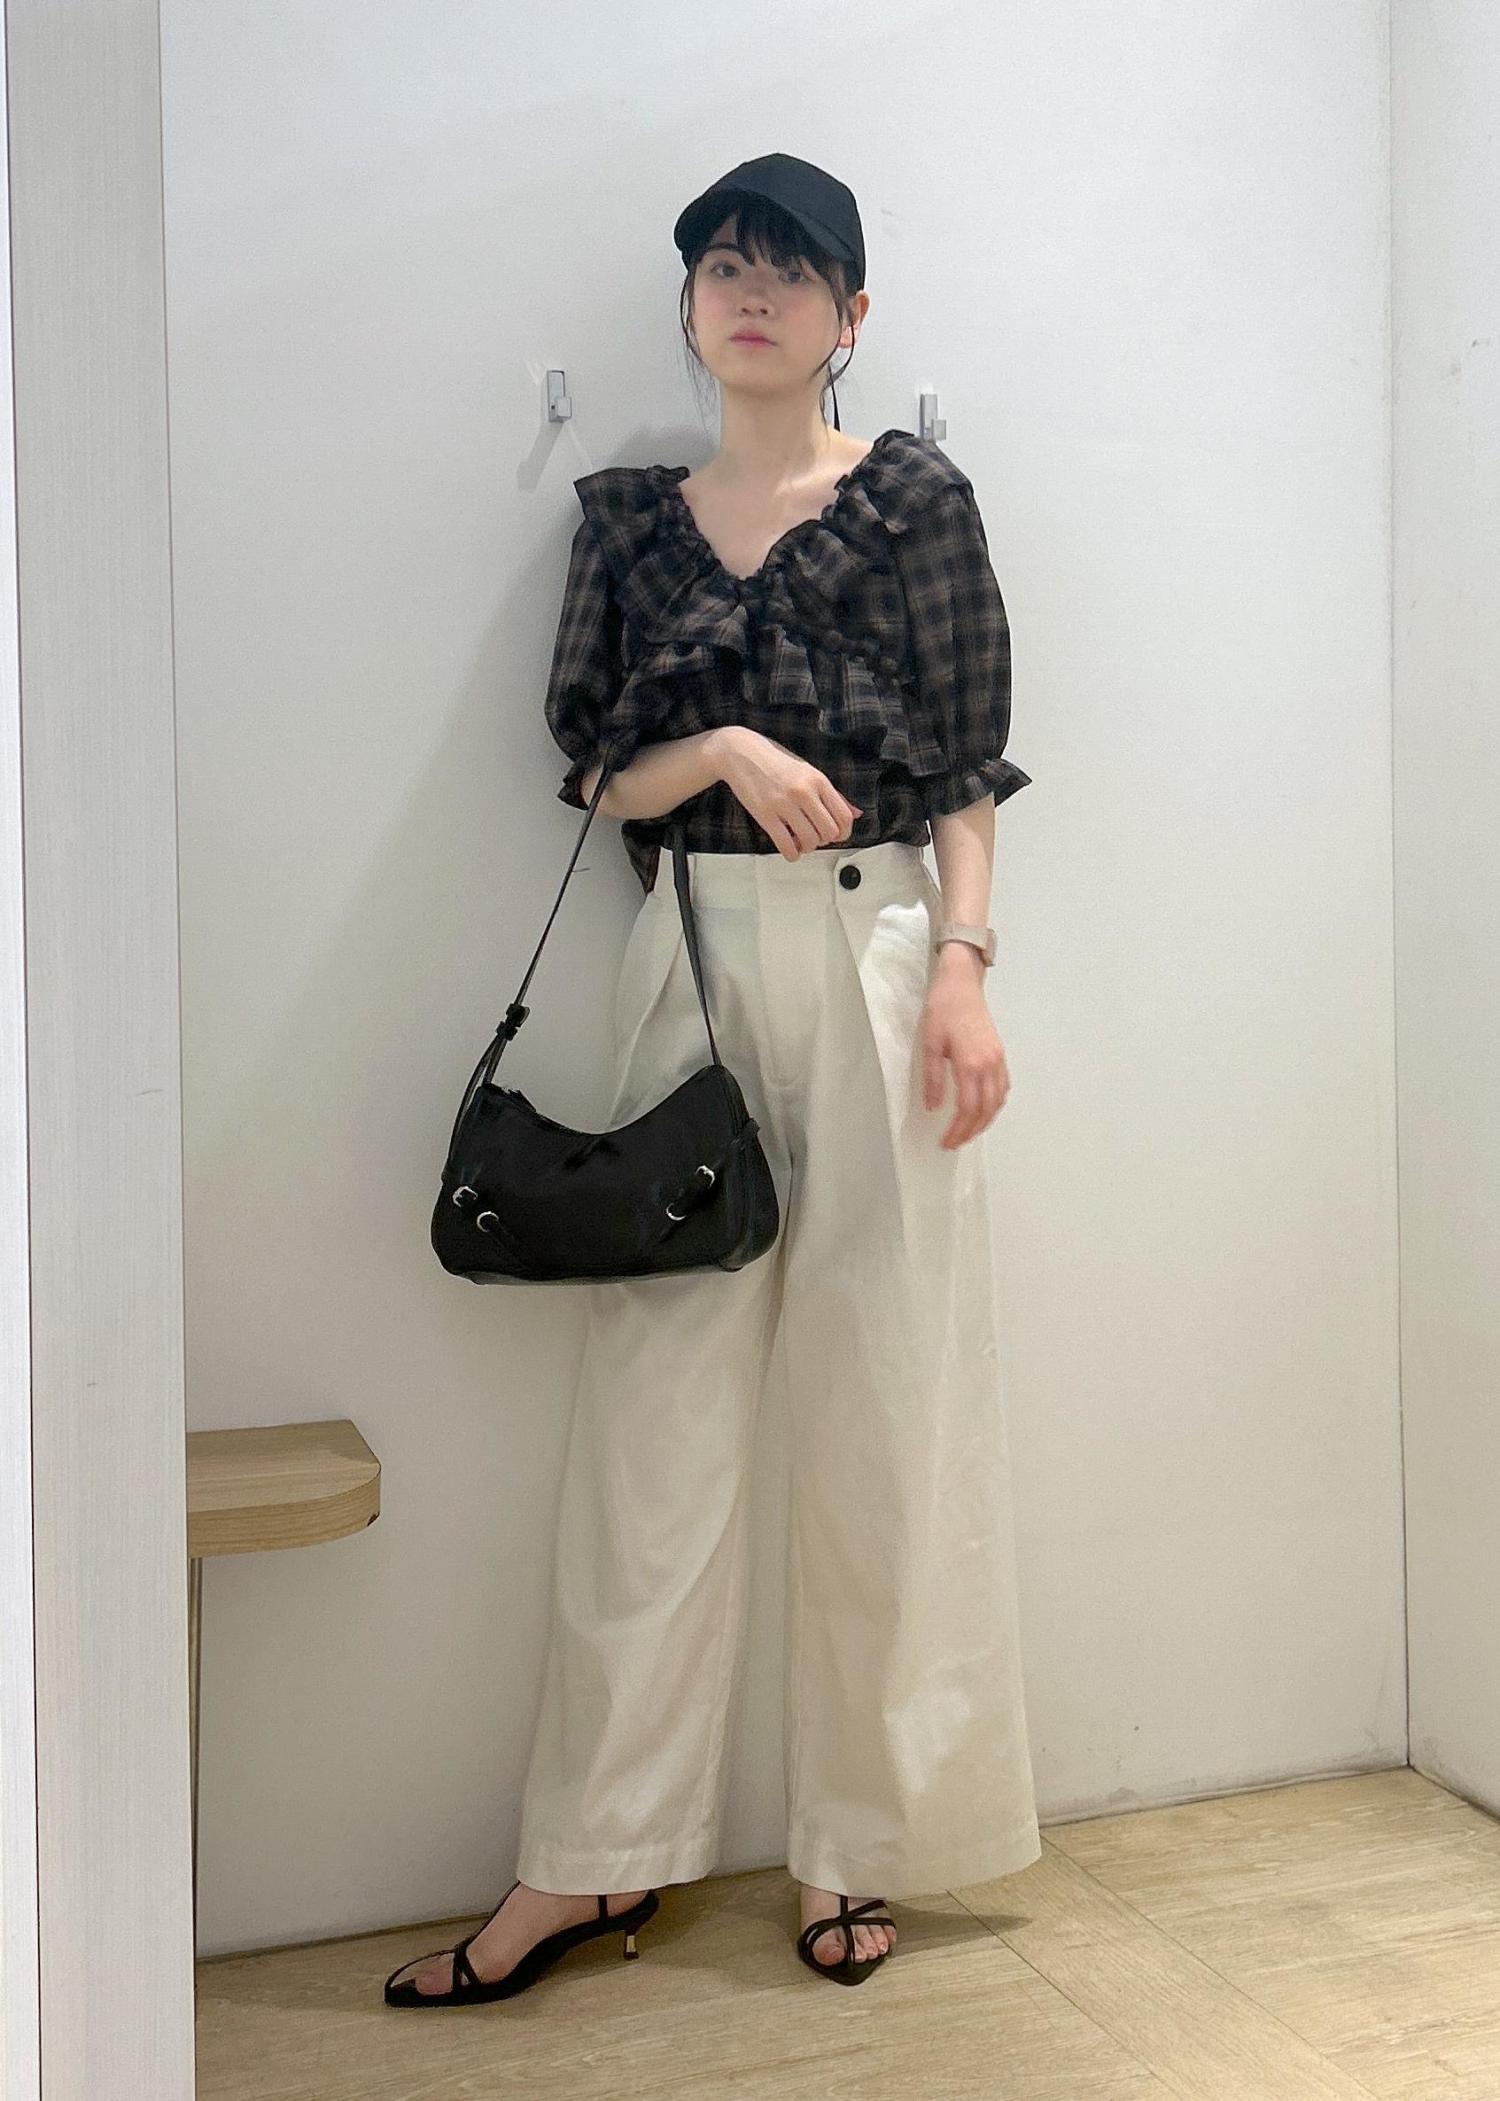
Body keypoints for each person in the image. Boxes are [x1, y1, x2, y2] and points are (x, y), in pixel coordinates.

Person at [385, 151, 1040, 2009]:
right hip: (688, 965)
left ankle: (858, 1839)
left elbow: (968, 764)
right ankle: (592, 1858)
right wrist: (728, 746)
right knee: (652, 1435)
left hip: (883, 956)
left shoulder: (911, 503)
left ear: (851, 314)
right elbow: (594, 767)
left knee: (888, 1403)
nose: (752, 295)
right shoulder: (626, 524)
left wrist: (967, 972)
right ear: (687, 304)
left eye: (790, 271)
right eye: (723, 268)